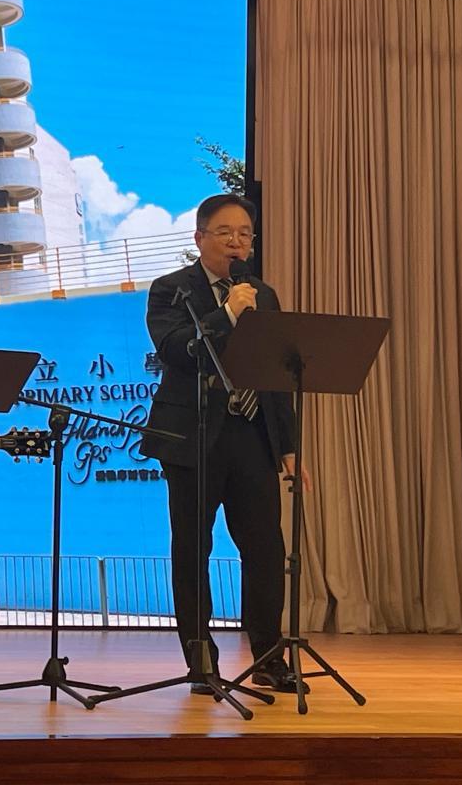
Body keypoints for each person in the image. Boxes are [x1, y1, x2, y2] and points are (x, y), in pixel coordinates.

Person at [141, 193, 312, 695]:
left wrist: (288, 446)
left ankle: (269, 659)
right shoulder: (171, 290)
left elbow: (275, 375)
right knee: (192, 552)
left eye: (245, 234)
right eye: (225, 233)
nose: (237, 242)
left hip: (252, 435)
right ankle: (201, 665)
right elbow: (177, 351)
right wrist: (227, 314)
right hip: (193, 439)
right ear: (200, 238)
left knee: (266, 550)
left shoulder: (264, 294)